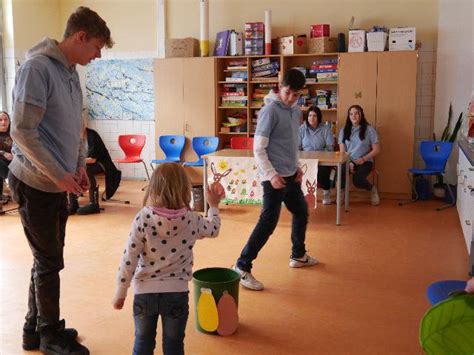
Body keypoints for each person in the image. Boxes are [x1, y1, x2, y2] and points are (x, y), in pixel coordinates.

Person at [8, 7, 113, 354]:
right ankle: (50, 336)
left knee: (47, 259)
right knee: (49, 261)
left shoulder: (69, 72)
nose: (98, 55)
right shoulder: (37, 68)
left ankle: (33, 329)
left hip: (58, 182)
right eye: (96, 47)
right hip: (36, 183)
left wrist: (80, 163)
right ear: (79, 36)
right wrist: (58, 173)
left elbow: (74, 127)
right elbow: (22, 131)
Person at [112, 163, 225, 355]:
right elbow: (213, 230)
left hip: (144, 293)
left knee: (142, 343)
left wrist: (121, 291)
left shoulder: (143, 218)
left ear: (153, 187)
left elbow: (129, 257)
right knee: (174, 346)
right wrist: (213, 206)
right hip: (177, 293)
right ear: (184, 189)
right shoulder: (192, 219)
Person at [233, 69, 318, 292]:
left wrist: (296, 167)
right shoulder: (270, 111)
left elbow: (290, 144)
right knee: (268, 222)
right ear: (280, 86)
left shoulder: (295, 110)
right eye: (288, 92)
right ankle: (241, 266)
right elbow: (258, 149)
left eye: (296, 95)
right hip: (273, 177)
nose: (290, 98)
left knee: (301, 211)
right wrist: (271, 175)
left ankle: (298, 255)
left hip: (289, 174)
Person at [68, 123, 122, 215]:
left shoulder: (92, 135)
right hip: (85, 163)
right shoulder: (72, 136)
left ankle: (94, 204)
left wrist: (77, 163)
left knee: (86, 168)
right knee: (71, 168)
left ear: (84, 125)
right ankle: (73, 204)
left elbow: (92, 159)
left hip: (102, 164)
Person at [338, 104, 381, 206]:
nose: (354, 116)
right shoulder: (343, 130)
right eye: (351, 114)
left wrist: (363, 159)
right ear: (348, 116)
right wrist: (349, 162)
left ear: (361, 114)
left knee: (357, 180)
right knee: (341, 170)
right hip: (348, 160)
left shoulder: (369, 129)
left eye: (356, 113)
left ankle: (372, 189)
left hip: (365, 161)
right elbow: (342, 152)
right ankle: (341, 192)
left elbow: (377, 150)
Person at [299, 106, 334, 205]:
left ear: (319, 117)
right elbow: (297, 148)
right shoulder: (301, 129)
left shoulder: (325, 129)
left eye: (314, 116)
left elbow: (330, 147)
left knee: (322, 171)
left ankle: (326, 194)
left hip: (322, 160)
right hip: (305, 160)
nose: (312, 118)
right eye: (310, 115)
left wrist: (320, 156)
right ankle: (302, 196)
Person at [0, 111, 13, 204]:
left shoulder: (14, 133)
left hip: (15, 161)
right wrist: (3, 153)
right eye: (0, 120)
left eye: (6, 120)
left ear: (9, 121)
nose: (3, 122)